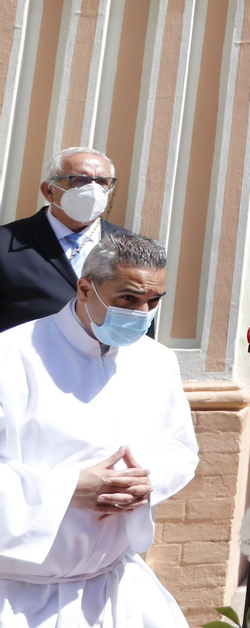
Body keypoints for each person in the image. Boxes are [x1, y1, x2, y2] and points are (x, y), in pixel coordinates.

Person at [0, 232, 198, 628]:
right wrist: (69, 489)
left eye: (153, 301)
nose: (142, 312)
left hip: (116, 587)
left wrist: (149, 483)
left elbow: (180, 447)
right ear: (85, 288)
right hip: (18, 594)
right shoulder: (12, 356)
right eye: (128, 298)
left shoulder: (156, 362)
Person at [0, 147, 126, 332]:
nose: (92, 190)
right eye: (79, 180)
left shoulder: (128, 246)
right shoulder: (6, 242)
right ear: (49, 191)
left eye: (101, 182)